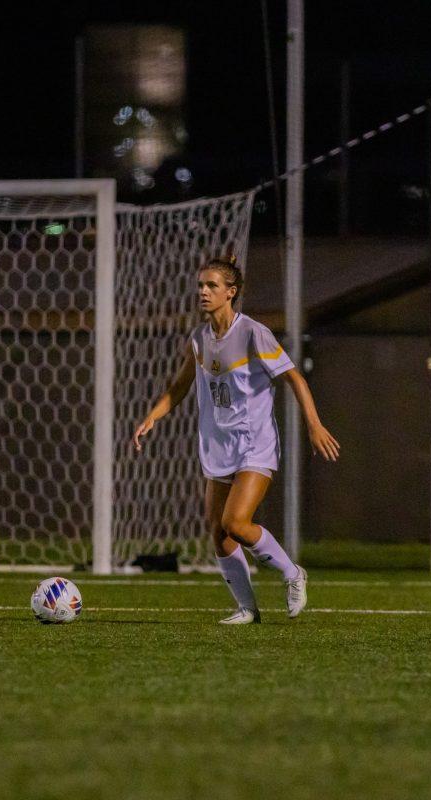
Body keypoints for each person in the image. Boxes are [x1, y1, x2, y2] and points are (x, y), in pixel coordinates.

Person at [132, 255, 340, 624]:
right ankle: (248, 609)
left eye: (211, 286)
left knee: (237, 523)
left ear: (231, 292)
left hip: (254, 443)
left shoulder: (252, 333)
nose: (203, 292)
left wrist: (314, 425)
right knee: (217, 531)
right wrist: (152, 416)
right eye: (200, 285)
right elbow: (178, 387)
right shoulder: (199, 339)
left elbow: (295, 378)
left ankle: (293, 573)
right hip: (218, 445)